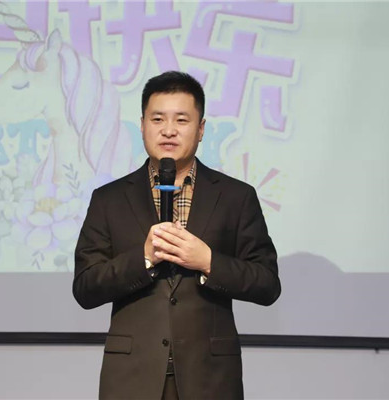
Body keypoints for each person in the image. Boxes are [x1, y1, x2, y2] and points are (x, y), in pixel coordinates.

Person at [73, 71, 281, 399]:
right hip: (131, 378)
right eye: (158, 119)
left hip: (210, 378)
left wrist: (208, 261)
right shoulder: (109, 199)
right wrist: (143, 258)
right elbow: (85, 288)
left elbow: (267, 284)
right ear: (142, 125)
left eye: (181, 120)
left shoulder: (236, 197)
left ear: (201, 129)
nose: (168, 130)